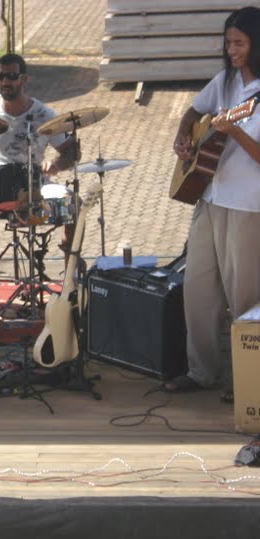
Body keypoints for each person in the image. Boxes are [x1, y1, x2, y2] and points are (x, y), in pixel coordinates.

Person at [165, 6, 260, 401]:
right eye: (228, 43)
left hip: (247, 206)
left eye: (239, 43)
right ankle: (202, 372)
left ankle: (248, 383)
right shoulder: (225, 81)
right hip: (209, 195)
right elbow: (193, 110)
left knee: (245, 296)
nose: (232, 50)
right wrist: (183, 136)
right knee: (198, 288)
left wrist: (234, 130)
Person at [0, 53, 77, 255]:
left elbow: (71, 151)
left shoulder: (44, 115)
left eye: (11, 76)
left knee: (73, 203)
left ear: (24, 79)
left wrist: (56, 164)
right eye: (0, 77)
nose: (5, 82)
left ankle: (71, 267)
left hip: (36, 185)